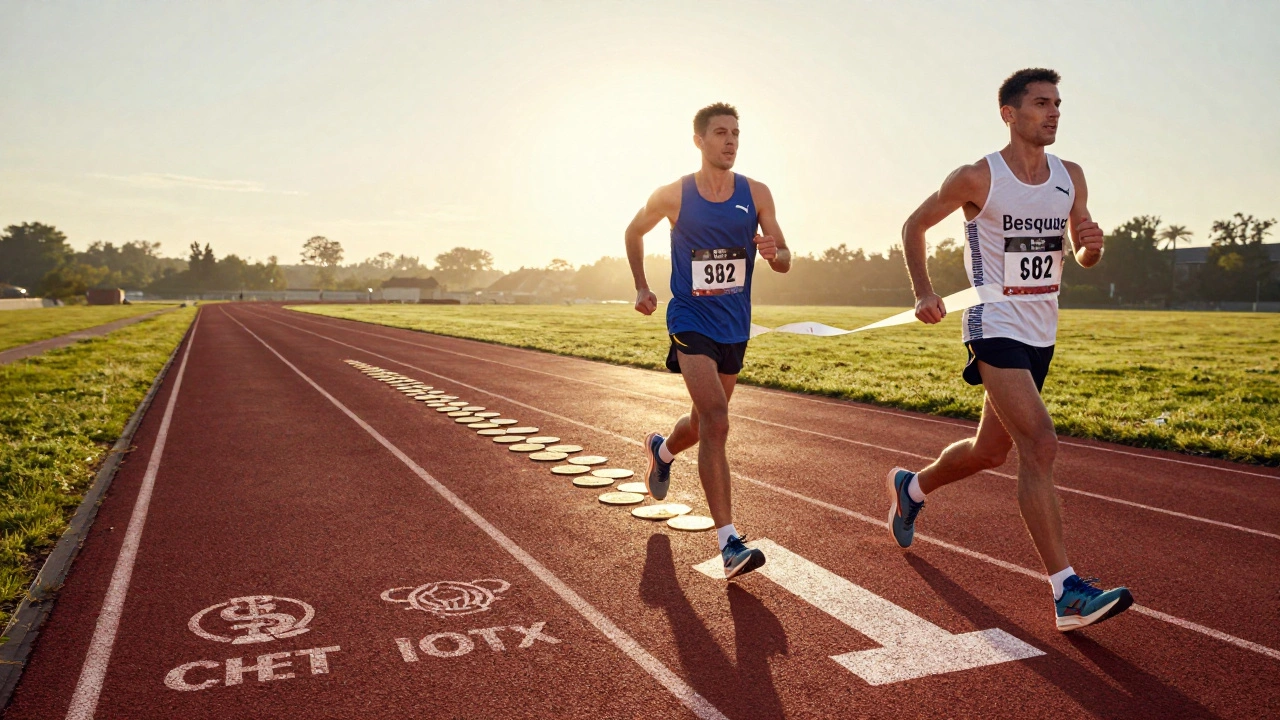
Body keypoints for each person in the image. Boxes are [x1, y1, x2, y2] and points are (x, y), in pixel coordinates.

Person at [891, 68, 1133, 630]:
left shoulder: (1070, 176)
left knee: (989, 451)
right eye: (1041, 103)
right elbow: (914, 225)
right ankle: (1066, 590)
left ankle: (913, 486)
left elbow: (1081, 250)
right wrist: (923, 291)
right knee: (1040, 444)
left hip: (1041, 331)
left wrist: (1092, 248)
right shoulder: (978, 176)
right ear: (1009, 113)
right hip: (992, 323)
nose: (1053, 113)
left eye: (1057, 104)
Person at [624, 102, 791, 579]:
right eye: (720, 133)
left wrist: (774, 251)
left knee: (701, 423)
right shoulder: (673, 194)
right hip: (689, 316)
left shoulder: (756, 193)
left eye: (736, 133)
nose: (731, 141)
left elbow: (785, 259)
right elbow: (633, 231)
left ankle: (663, 451)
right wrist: (641, 284)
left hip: (734, 326)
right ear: (699, 141)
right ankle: (729, 543)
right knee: (718, 419)